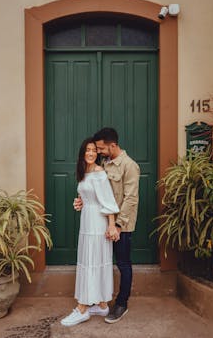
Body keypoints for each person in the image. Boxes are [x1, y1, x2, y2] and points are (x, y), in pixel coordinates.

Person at [74, 128, 140, 324]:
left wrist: (117, 225)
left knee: (122, 263)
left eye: (101, 148)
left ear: (113, 145)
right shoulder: (103, 163)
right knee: (99, 261)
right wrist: (83, 201)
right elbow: (99, 193)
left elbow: (131, 199)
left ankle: (121, 303)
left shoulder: (130, 166)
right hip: (101, 223)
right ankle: (100, 302)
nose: (99, 151)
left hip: (122, 224)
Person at [61, 137, 119, 327]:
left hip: (98, 223)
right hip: (86, 221)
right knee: (90, 260)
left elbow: (108, 201)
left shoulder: (100, 172)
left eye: (94, 150)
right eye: (88, 150)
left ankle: (82, 308)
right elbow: (87, 196)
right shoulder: (84, 172)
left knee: (93, 261)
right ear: (82, 153)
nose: (91, 153)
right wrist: (80, 202)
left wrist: (111, 226)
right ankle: (102, 305)